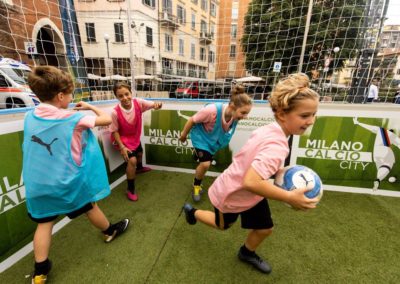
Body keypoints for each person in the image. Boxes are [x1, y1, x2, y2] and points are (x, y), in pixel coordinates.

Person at [183, 73, 320, 274]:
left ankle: (246, 252)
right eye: (304, 115)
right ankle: (192, 212)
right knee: (222, 226)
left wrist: (281, 173)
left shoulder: (271, 130)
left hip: (254, 195)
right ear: (282, 114)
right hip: (232, 193)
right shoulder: (277, 145)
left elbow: (254, 170)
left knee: (265, 228)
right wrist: (290, 197)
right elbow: (251, 181)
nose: (311, 121)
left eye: (314, 114)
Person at [24, 66, 130, 284]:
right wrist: (89, 106)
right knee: (90, 207)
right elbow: (107, 118)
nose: (72, 98)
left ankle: (40, 272)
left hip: (38, 185)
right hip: (67, 183)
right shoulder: (73, 118)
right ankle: (110, 231)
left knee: (44, 223)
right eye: (70, 94)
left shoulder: (29, 116)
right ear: (61, 96)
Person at [179, 85, 253, 202]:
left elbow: (224, 132)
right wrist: (183, 135)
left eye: (246, 114)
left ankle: (199, 156)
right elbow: (192, 120)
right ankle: (196, 186)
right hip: (200, 138)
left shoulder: (234, 118)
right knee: (205, 164)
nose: (245, 117)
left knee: (204, 161)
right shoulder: (212, 110)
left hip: (212, 143)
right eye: (243, 113)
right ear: (232, 106)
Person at [110, 82, 162, 201]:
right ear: (117, 97)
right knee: (132, 160)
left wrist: (158, 105)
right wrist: (122, 147)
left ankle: (139, 169)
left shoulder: (138, 102)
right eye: (120, 96)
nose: (125, 98)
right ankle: (130, 189)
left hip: (134, 137)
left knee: (139, 153)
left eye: (127, 94)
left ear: (131, 92)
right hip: (121, 140)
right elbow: (114, 131)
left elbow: (154, 104)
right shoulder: (114, 112)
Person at [353, 117, 400, 190]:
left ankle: (378, 179)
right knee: (386, 166)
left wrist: (358, 123)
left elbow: (370, 128)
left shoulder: (380, 130)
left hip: (376, 152)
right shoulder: (393, 136)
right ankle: (378, 179)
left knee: (381, 167)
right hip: (386, 151)